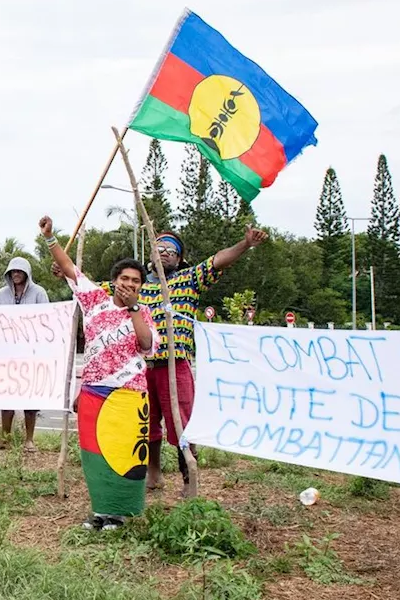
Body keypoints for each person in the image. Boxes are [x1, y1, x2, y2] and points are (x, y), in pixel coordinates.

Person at [41, 216, 158, 530]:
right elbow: (69, 269)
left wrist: (134, 310)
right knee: (95, 454)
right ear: (114, 280)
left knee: (123, 453)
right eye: (125, 279)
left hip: (129, 396)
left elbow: (146, 344)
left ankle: (121, 513)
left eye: (136, 281)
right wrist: (51, 238)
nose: (130, 285)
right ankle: (101, 511)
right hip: (94, 392)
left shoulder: (144, 312)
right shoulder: (95, 300)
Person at [138, 227, 267, 492]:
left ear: (179, 258)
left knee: (183, 424)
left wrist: (245, 243)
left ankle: (189, 477)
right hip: (143, 367)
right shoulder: (137, 282)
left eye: (170, 251)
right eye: (159, 249)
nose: (163, 254)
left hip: (175, 364)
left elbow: (219, 260)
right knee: (147, 423)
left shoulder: (189, 279)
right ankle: (154, 473)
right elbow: (94, 288)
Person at [0, 256, 50, 452]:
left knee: (30, 399)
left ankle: (29, 440)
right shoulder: (1, 294)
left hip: (31, 355)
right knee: (7, 397)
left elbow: (47, 319)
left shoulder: (39, 293)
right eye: (12, 271)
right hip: (7, 354)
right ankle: (5, 438)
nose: (16, 274)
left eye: (19, 271)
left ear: (26, 273)